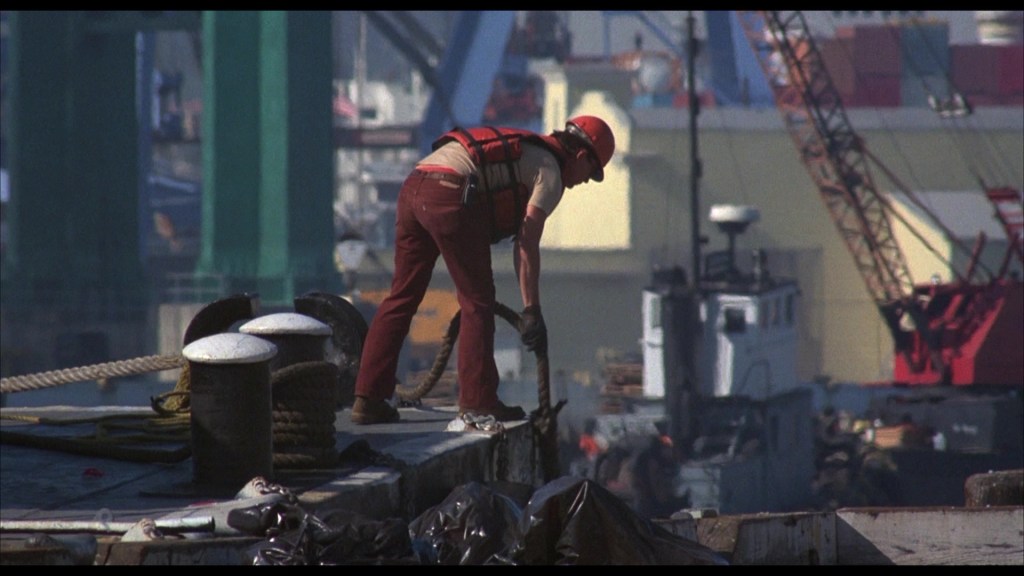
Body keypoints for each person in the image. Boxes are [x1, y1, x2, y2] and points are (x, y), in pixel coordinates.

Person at [350, 115, 616, 425]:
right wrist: (532, 310)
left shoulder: (530, 150)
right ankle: (478, 401)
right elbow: (526, 245)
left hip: (414, 186)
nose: (585, 181)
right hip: (450, 191)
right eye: (591, 172)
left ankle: (368, 397)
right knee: (477, 300)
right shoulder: (551, 172)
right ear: (581, 156)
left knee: (401, 296)